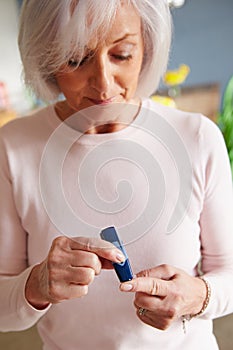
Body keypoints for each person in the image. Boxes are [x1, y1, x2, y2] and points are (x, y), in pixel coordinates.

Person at [0, 0, 233, 349]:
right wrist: (36, 285)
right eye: (76, 59)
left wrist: (199, 296)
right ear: (46, 56)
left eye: (122, 54)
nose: (104, 85)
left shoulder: (197, 138)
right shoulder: (13, 146)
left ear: (147, 47)